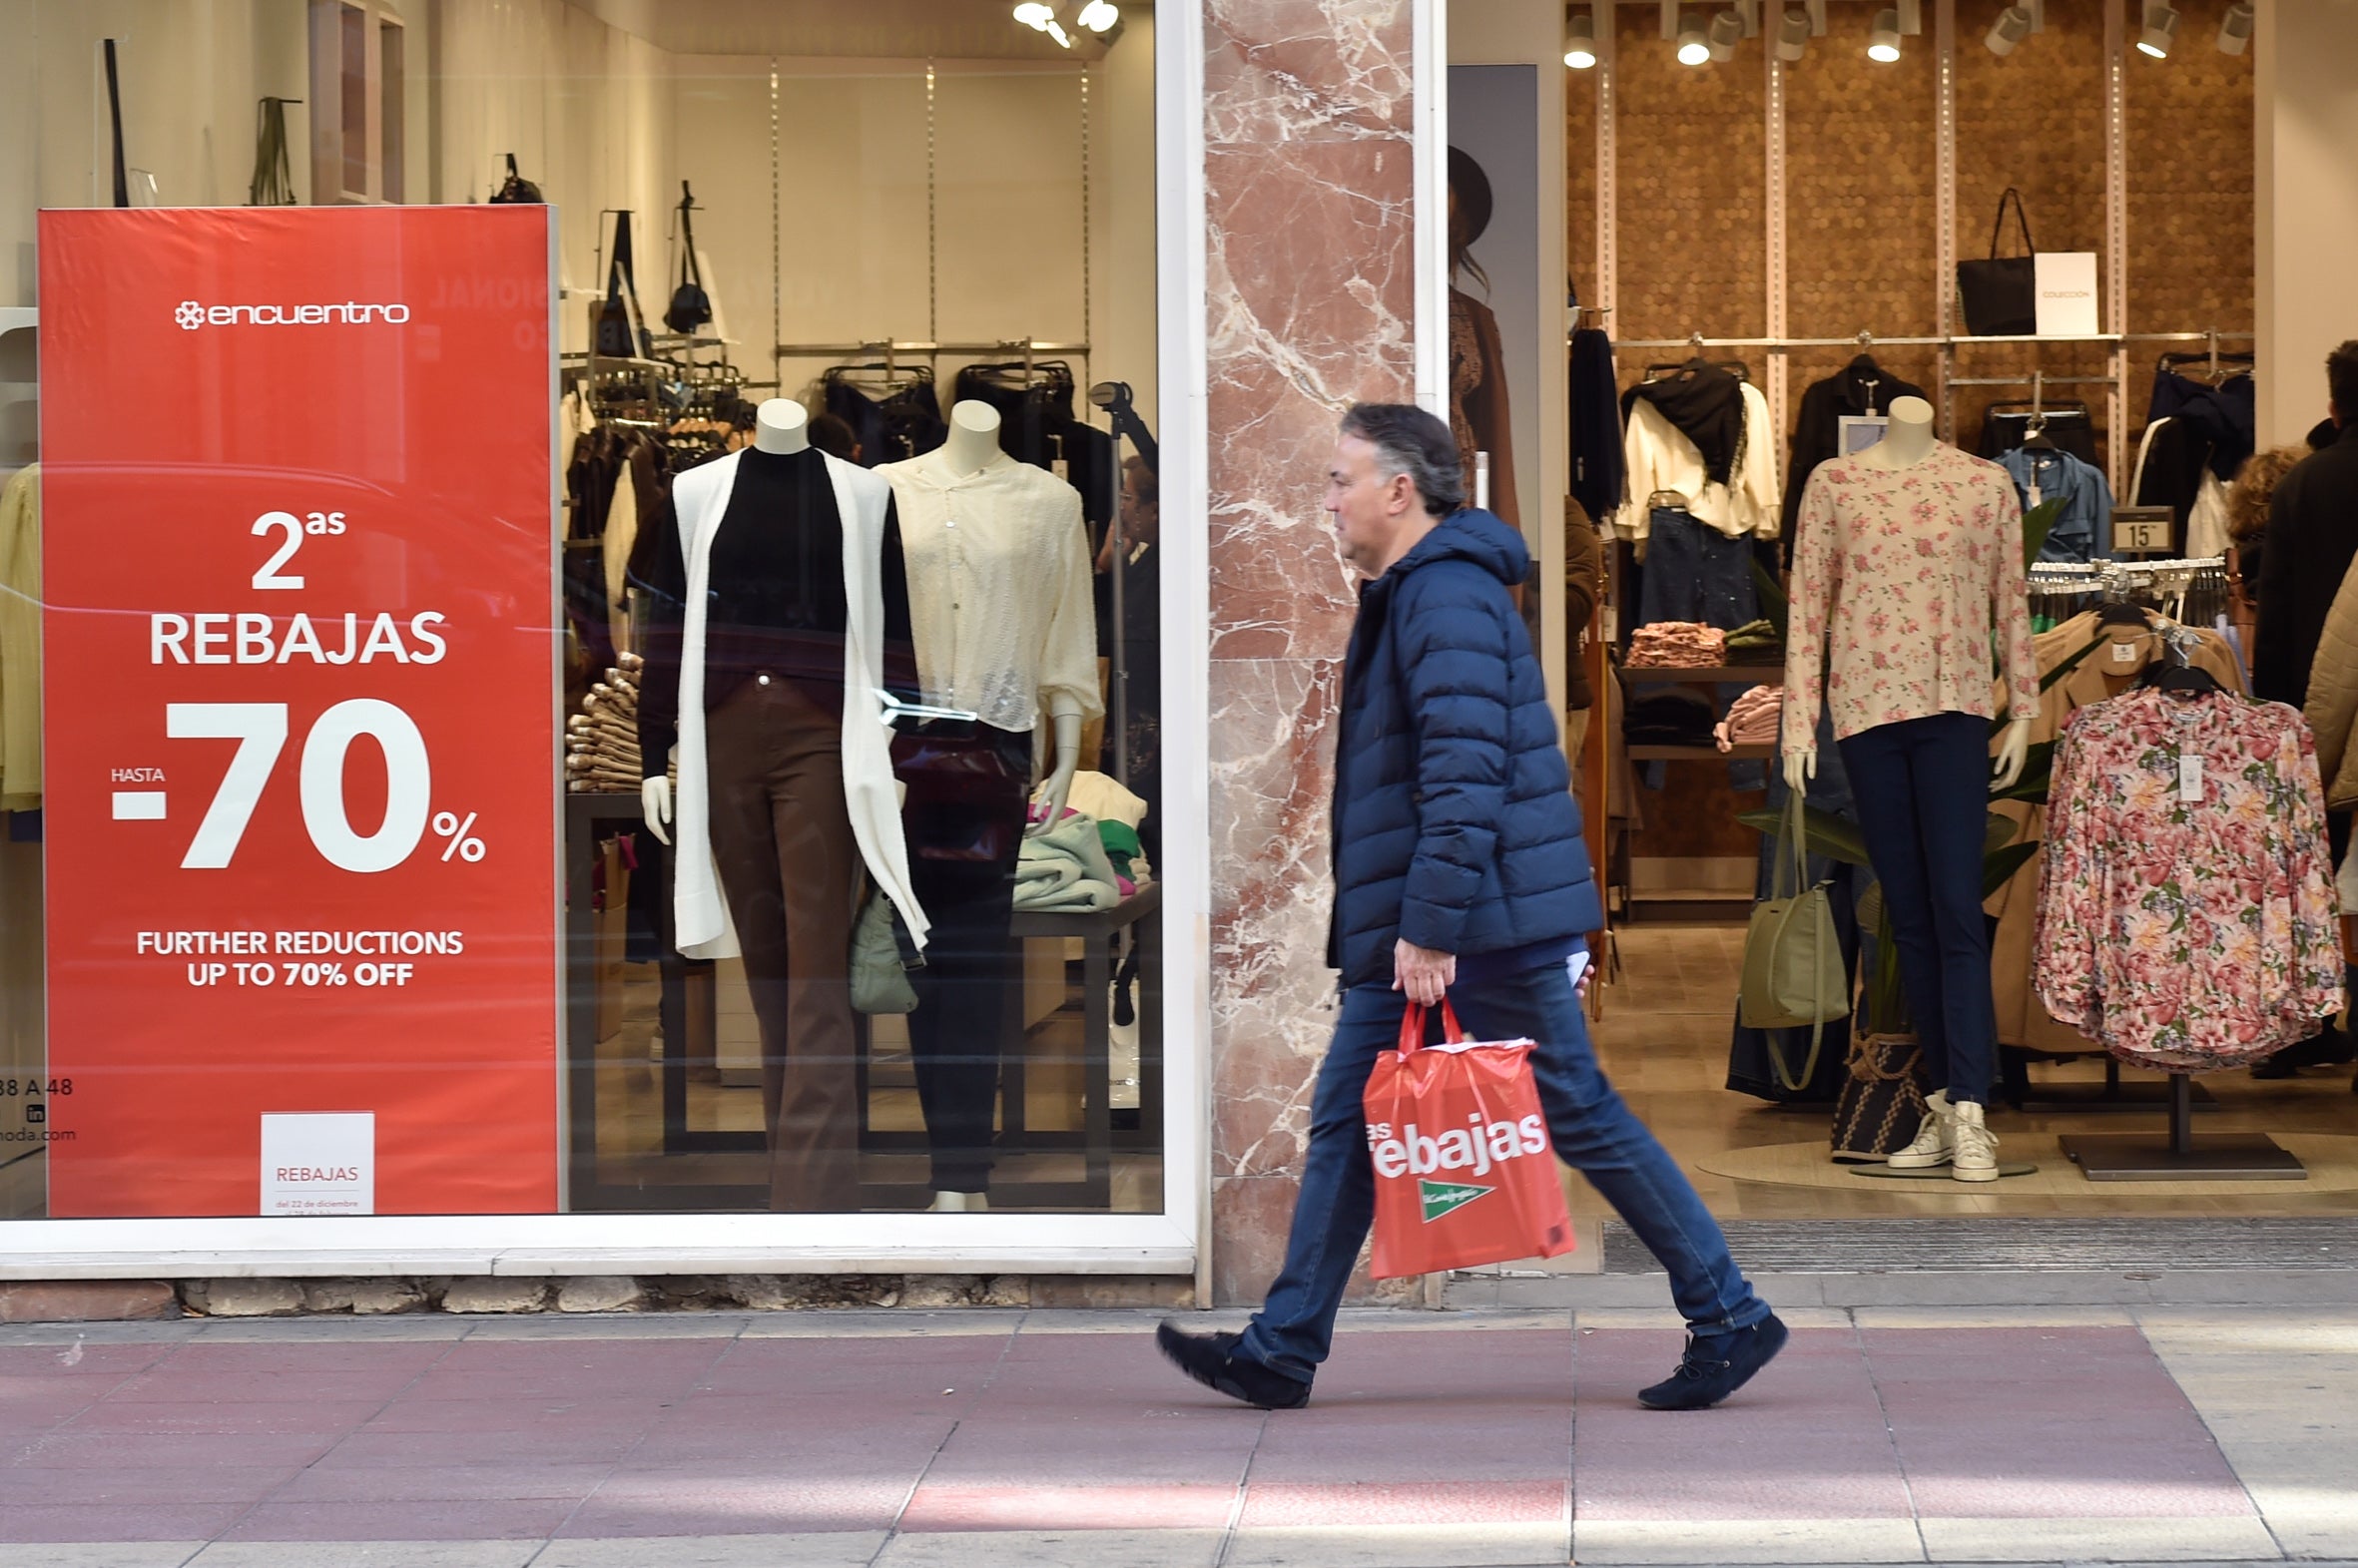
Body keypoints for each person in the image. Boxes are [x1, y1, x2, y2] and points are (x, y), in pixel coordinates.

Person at [1157, 403, 1782, 1413]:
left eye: (1338, 478)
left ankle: (1729, 1310)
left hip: (1474, 923)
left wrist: (1430, 925)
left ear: (1399, 489)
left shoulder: (1441, 594)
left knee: (1576, 1108)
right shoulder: (1424, 589)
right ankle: (1282, 1346)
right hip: (1458, 915)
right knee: (1349, 1122)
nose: (1328, 499)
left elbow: (1463, 770)